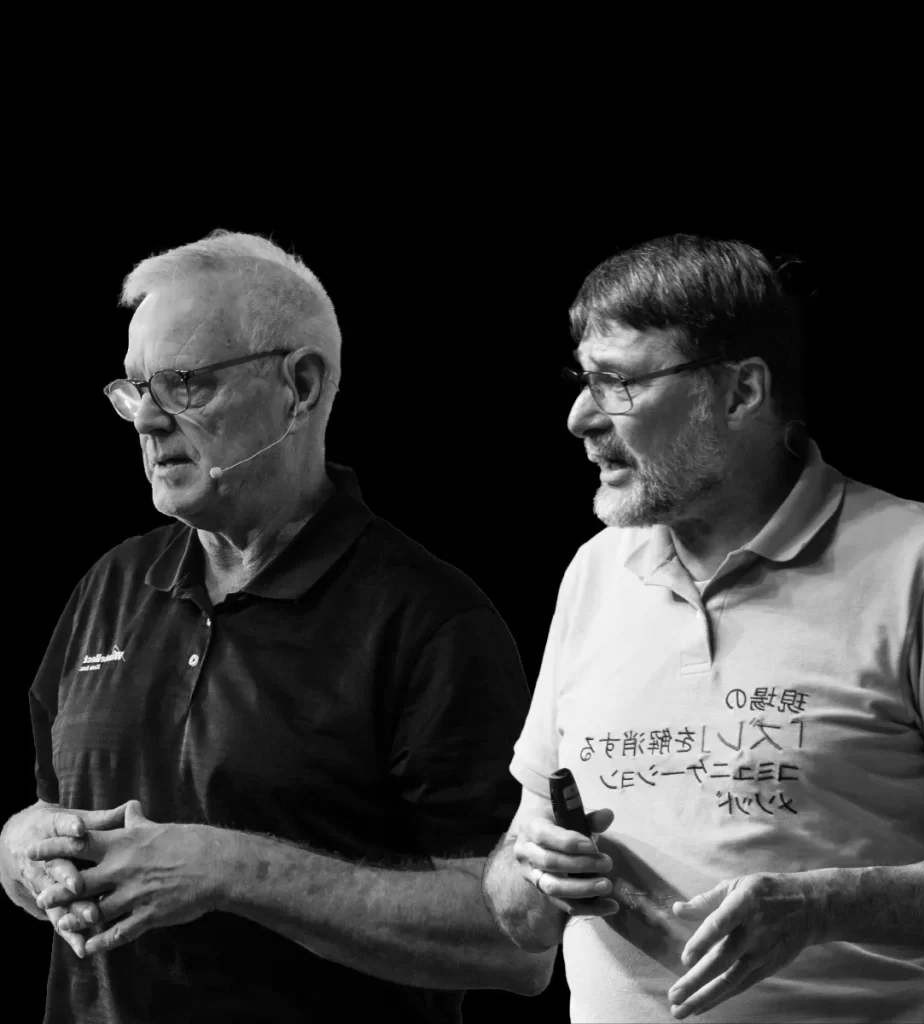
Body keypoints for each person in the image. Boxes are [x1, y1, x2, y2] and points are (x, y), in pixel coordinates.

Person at [0, 230, 554, 1023]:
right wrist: (21, 850)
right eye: (134, 389)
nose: (147, 420)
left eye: (184, 384)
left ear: (300, 386)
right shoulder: (111, 584)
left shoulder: (430, 623)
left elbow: (516, 944)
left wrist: (229, 868)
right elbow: (47, 820)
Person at [482, 233, 924, 1022]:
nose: (580, 418)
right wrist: (534, 871)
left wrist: (825, 906)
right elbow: (517, 908)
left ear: (740, 393)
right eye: (583, 379)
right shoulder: (594, 574)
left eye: (618, 382)